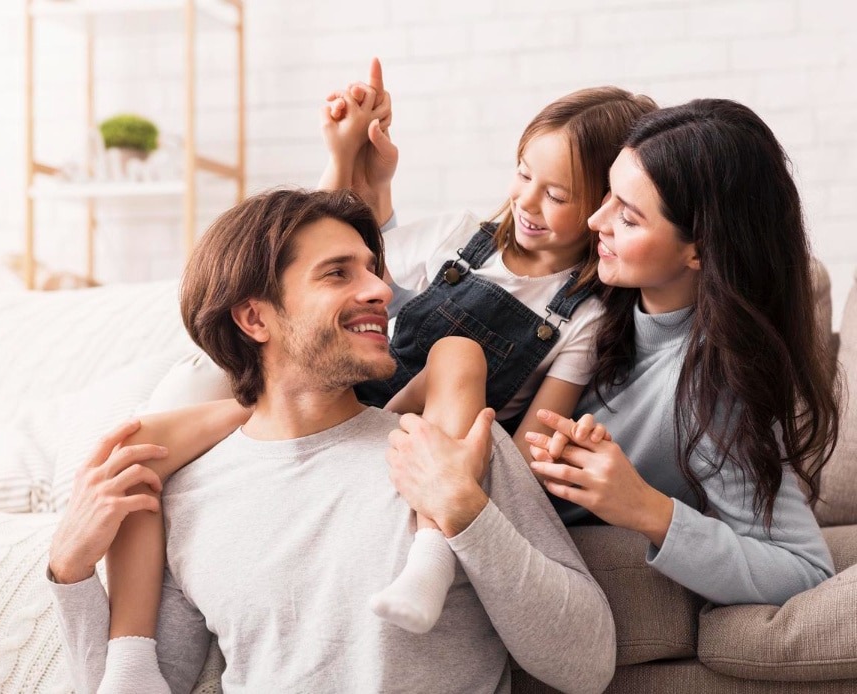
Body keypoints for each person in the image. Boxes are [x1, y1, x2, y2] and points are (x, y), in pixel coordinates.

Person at [96, 55, 657, 658]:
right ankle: (128, 657)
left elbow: (531, 445)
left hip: (433, 428)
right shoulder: (460, 238)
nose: (528, 202)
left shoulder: (585, 316)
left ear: (603, 208)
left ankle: (431, 555)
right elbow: (339, 259)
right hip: (344, 393)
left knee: (458, 354)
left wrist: (494, 482)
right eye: (523, 176)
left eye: (556, 195)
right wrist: (348, 158)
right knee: (138, 443)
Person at [47, 188, 617, 694]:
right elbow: (144, 683)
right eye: (338, 273)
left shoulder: (449, 448)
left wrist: (464, 511)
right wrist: (69, 572)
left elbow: (587, 667)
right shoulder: (191, 492)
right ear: (254, 319)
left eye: (372, 269)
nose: (380, 290)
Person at [524, 99, 839, 606]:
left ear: (701, 249)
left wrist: (646, 508)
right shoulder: (591, 282)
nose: (594, 220)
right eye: (608, 194)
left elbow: (805, 570)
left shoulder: (713, 391)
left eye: (627, 217)